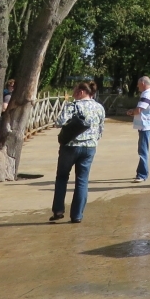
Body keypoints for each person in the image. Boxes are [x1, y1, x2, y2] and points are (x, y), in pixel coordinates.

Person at [51, 81, 104, 224]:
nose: (73, 92)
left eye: (75, 90)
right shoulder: (99, 107)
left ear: (81, 92)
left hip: (70, 146)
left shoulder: (73, 106)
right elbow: (100, 129)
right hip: (90, 148)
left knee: (62, 177)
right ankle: (77, 215)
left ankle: (58, 210)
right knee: (82, 180)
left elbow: (59, 122)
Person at [126, 76, 150, 183]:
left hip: (146, 126)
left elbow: (139, 110)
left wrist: (131, 112)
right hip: (147, 125)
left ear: (143, 83)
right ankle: (141, 172)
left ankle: (142, 174)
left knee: (143, 150)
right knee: (143, 150)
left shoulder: (147, 94)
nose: (137, 86)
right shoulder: (148, 93)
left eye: (138, 83)